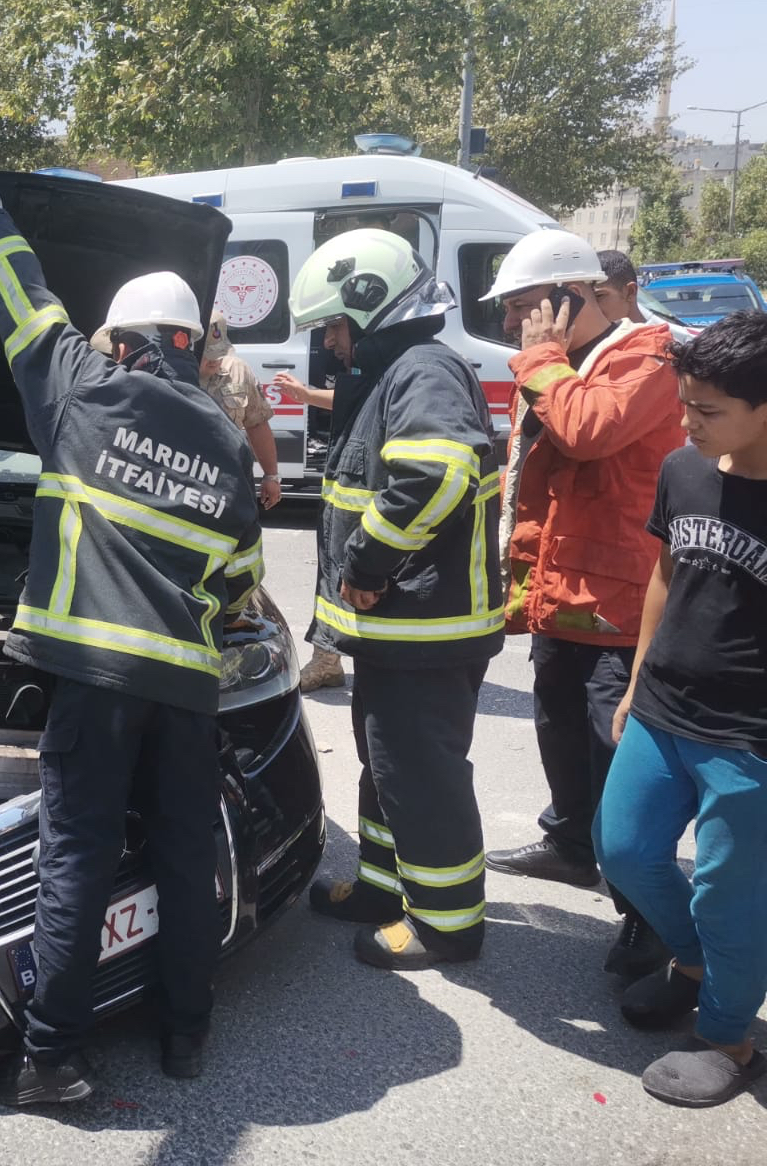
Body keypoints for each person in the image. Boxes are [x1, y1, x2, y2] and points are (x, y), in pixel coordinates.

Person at [0, 158, 264, 1104]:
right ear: (188, 346)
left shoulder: (84, 390)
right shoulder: (229, 445)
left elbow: (23, 298)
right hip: (185, 687)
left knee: (76, 855)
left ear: (123, 343)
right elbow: (242, 584)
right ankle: (185, 1036)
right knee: (181, 851)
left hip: (93, 674)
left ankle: (51, 1058)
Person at [480, 229, 684, 980]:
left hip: (619, 604)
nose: (514, 327)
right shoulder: (576, 361)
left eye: (526, 308)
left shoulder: (648, 357)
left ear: (577, 296)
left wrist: (541, 360)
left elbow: (587, 431)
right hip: (563, 591)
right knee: (557, 721)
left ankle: (650, 915)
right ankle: (570, 844)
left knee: (616, 754)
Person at [295, 228, 502, 970]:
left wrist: (367, 561)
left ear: (370, 307)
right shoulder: (398, 371)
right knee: (384, 764)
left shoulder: (423, 371)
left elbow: (438, 474)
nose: (331, 345)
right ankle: (387, 888)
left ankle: (448, 923)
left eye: (333, 327)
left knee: (420, 772)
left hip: (428, 624)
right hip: (400, 627)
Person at [593, 310, 767, 1108]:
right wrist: (634, 682)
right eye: (685, 403)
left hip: (749, 738)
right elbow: (665, 574)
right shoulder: (684, 469)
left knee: (730, 890)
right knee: (623, 850)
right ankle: (693, 964)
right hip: (663, 707)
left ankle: (729, 1031)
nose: (686, 423)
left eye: (708, 411)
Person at [274, 319, 353, 693]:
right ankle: (328, 657)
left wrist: (305, 395)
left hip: (356, 506)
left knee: (338, 572)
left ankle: (327, 659)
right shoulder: (373, 365)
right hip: (344, 496)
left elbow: (355, 396)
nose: (328, 341)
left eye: (336, 328)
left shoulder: (390, 368)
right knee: (333, 571)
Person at [199, 308, 283, 509]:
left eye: (219, 353)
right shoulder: (174, 375)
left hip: (231, 481)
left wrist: (271, 476)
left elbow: (257, 424)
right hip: (188, 480)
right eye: (207, 353)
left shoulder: (238, 370)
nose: (214, 360)